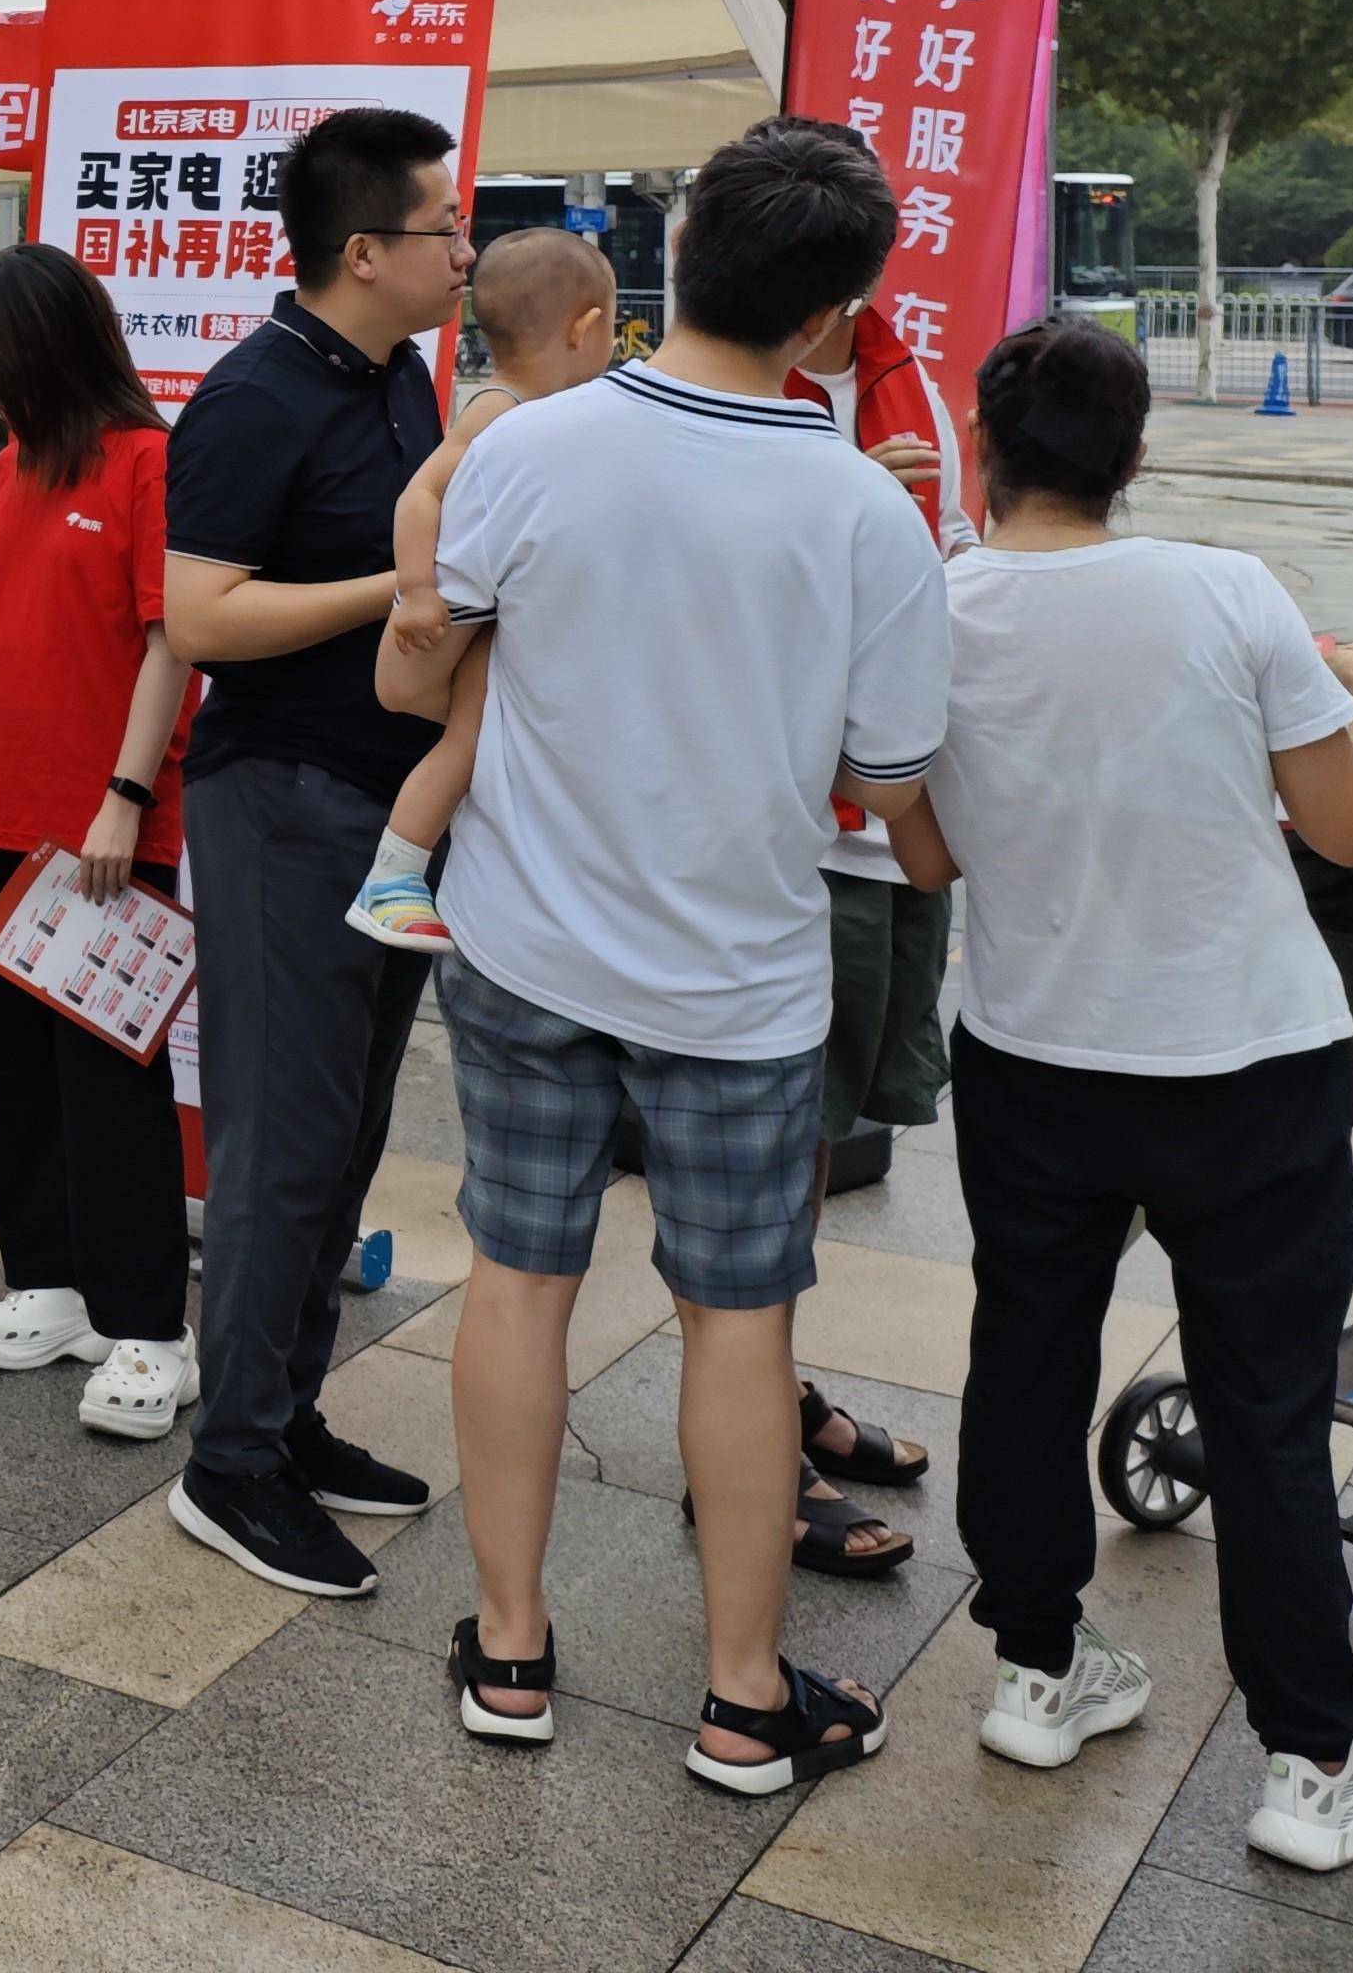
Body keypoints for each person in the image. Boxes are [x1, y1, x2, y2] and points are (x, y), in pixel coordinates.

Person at [386, 114, 946, 1791]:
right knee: (738, 1319)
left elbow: (435, 659)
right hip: (739, 983)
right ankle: (740, 1696)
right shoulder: (861, 511)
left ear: (677, 246)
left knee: (519, 1273)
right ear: (834, 316)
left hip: (523, 949)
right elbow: (899, 777)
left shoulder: (532, 449)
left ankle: (507, 1649)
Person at [886, 317, 1353, 1873]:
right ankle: (1315, 1763)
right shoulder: (1224, 591)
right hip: (1244, 1064)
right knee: (1265, 1412)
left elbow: (929, 857)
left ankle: (1039, 1674)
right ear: (1134, 457)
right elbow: (1347, 826)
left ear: (986, 451)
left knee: (1027, 1357)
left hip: (1033, 1056)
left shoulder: (936, 610)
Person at [158, 106, 472, 1601]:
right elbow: (200, 621)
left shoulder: (405, 375)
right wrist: (393, 586)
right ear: (365, 251)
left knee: (343, 1139)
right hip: (282, 799)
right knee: (280, 1146)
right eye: (443, 230)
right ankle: (227, 1466)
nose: (464, 254)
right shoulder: (252, 399)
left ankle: (284, 1418)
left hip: (388, 806)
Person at [0, 243, 198, 1440]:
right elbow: (13, 613)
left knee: (109, 1077)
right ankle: (53, 1283)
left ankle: (150, 1329)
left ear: (46, 351)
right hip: (7, 813)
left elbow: (169, 640)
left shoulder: (147, 462)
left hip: (101, 823)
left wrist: (126, 794)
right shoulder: (18, 467)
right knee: (20, 1070)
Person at [775, 291, 974, 1572]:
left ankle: (778, 1407)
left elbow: (953, 546)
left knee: (832, 1132)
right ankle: (752, 1457)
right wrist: (845, 492)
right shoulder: (736, 381)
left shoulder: (913, 375)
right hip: (798, 828)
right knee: (777, 1142)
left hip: (897, 821)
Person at [347, 228, 619, 952]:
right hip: (454, 614)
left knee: (490, 740)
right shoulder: (499, 411)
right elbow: (418, 497)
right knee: (466, 743)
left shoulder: (539, 412)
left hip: (492, 613)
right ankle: (394, 876)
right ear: (586, 330)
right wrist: (417, 590)